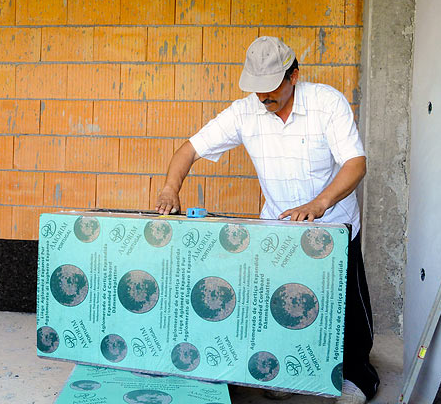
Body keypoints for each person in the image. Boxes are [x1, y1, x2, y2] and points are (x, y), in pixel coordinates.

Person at [155, 36, 379, 404]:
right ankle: (287, 371)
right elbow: (189, 149)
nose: (263, 97)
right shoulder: (245, 112)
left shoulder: (327, 103)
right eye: (257, 89)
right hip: (279, 230)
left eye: (271, 87)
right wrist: (169, 189)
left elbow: (356, 163)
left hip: (333, 224)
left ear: (294, 75)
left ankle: (357, 378)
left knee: (347, 309)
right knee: (280, 306)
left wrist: (319, 204)